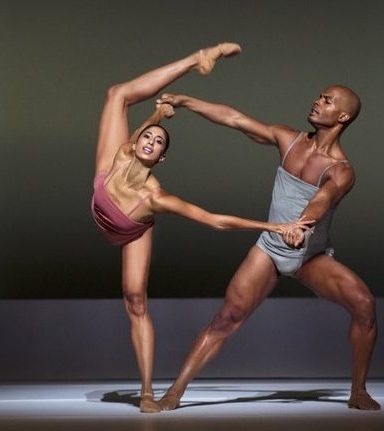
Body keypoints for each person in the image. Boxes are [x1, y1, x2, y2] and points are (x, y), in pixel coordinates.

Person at [91, 43, 312, 413]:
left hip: (131, 227)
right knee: (117, 94)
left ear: (162, 158)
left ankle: (147, 390)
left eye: (158, 142)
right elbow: (141, 127)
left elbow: (215, 220)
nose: (150, 141)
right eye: (148, 136)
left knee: (135, 300)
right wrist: (157, 116)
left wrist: (277, 225)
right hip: (104, 191)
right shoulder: (123, 153)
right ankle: (197, 58)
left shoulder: (156, 197)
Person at [155, 84, 381, 411]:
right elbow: (234, 119)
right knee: (226, 319)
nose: (317, 102)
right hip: (270, 250)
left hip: (309, 256)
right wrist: (186, 100)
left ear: (342, 116)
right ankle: (175, 392)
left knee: (364, 305)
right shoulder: (288, 139)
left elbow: (322, 200)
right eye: (318, 95)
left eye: (327, 101)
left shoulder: (341, 170)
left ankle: (358, 391)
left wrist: (301, 226)